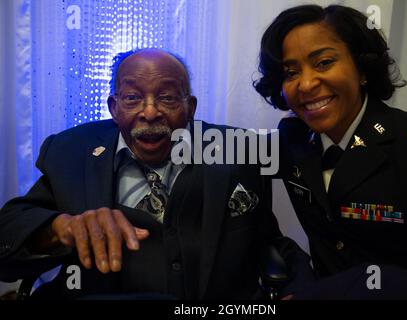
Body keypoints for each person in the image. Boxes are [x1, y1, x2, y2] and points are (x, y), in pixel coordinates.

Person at [0, 48, 301, 300]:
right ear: (114, 107)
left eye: (168, 97)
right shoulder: (71, 152)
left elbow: (270, 242)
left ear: (190, 107)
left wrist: (302, 290)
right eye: (132, 98)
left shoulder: (239, 150)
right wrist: (60, 229)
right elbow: (10, 230)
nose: (150, 112)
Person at [253, 4, 407, 298]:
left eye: (323, 63)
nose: (306, 84)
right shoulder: (292, 139)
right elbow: (229, 150)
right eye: (291, 72)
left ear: (362, 69)